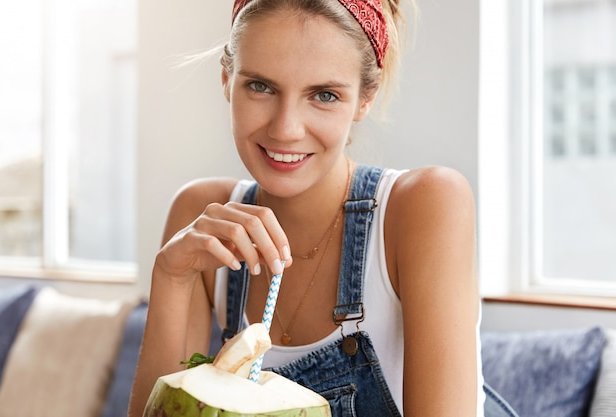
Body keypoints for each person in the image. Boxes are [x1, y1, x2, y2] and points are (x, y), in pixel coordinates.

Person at [129, 1, 515, 416]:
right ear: (227, 79)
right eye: (261, 86)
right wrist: (171, 276)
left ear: (366, 98)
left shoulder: (424, 205)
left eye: (324, 95)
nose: (286, 128)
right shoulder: (201, 217)